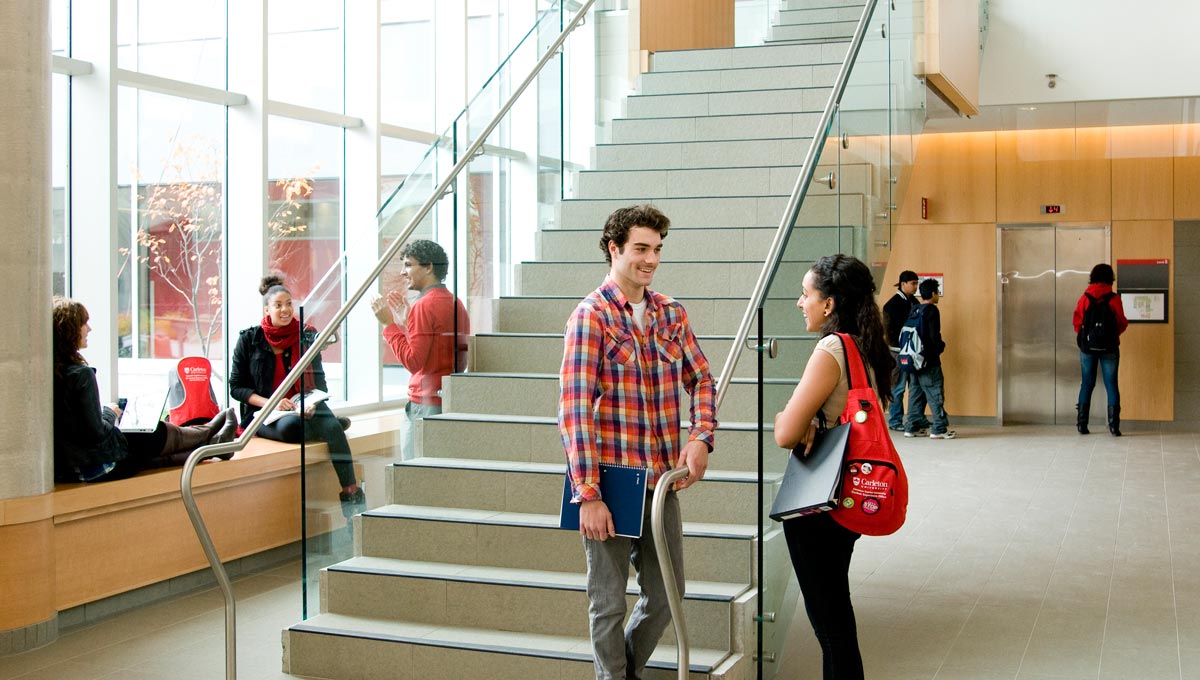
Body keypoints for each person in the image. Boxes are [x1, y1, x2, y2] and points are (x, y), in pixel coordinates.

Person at [558, 204, 717, 680]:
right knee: (607, 603)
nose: (651, 259)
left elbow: (702, 379)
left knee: (668, 594)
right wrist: (587, 494)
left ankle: (622, 673)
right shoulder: (592, 317)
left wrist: (701, 437)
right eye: (641, 249)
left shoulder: (671, 313)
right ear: (614, 248)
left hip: (661, 481)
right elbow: (573, 410)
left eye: (657, 250)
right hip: (610, 480)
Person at [772, 254, 893, 680]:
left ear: (829, 304)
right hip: (848, 498)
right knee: (836, 615)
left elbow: (785, 432)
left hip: (818, 505)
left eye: (806, 294)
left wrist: (789, 420)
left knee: (831, 625)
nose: (799, 302)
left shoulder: (832, 347)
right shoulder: (867, 345)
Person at [52, 297, 237, 483]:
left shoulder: (52, 372)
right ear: (69, 330)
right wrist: (109, 412)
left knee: (148, 448)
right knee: (153, 434)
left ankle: (213, 442)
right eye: (84, 324)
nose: (89, 329)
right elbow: (96, 433)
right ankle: (207, 434)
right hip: (94, 467)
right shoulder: (81, 375)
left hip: (68, 467)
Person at [229, 275, 364, 513]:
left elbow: (320, 382)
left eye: (289, 303)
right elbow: (236, 387)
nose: (285, 310)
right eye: (278, 305)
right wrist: (272, 403)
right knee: (293, 427)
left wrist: (310, 402)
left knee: (330, 428)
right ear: (267, 309)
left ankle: (351, 494)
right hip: (266, 412)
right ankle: (326, 425)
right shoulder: (248, 340)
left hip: (302, 404)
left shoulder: (307, 336)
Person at [371, 240, 469, 460]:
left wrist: (388, 325)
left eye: (408, 265)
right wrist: (408, 323)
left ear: (428, 267)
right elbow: (441, 351)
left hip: (425, 404)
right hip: (446, 399)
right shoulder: (456, 302)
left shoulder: (423, 305)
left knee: (414, 475)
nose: (403, 272)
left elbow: (414, 362)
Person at [1072, 263, 1129, 436]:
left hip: (1087, 348)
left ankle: (1082, 425)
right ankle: (1114, 426)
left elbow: (1077, 322)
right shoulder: (1114, 298)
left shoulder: (1085, 298)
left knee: (1087, 384)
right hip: (1110, 347)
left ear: (1093, 277)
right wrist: (1111, 335)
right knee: (1111, 384)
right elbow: (1121, 322)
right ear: (1109, 278)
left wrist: (1086, 337)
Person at [904, 278, 955, 439]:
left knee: (915, 394)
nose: (938, 296)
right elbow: (933, 337)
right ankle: (939, 428)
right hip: (928, 361)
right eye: (937, 293)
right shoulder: (932, 310)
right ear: (933, 293)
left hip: (913, 360)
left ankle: (911, 427)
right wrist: (940, 347)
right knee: (935, 393)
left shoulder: (915, 309)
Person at [881, 269, 930, 435]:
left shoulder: (913, 302)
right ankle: (895, 420)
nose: (916, 286)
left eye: (917, 283)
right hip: (898, 351)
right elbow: (890, 331)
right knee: (898, 387)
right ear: (903, 284)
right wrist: (901, 345)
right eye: (913, 283)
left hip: (913, 351)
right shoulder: (892, 305)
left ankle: (915, 418)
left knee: (916, 386)